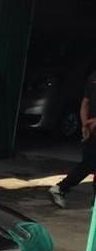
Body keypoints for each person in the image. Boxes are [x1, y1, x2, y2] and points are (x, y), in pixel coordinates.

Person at [49, 71, 96, 207]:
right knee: (88, 164)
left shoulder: (92, 77)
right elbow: (85, 103)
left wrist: (86, 124)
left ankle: (62, 188)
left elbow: (85, 103)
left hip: (91, 129)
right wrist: (85, 124)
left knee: (89, 164)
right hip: (92, 131)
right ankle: (61, 188)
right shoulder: (92, 78)